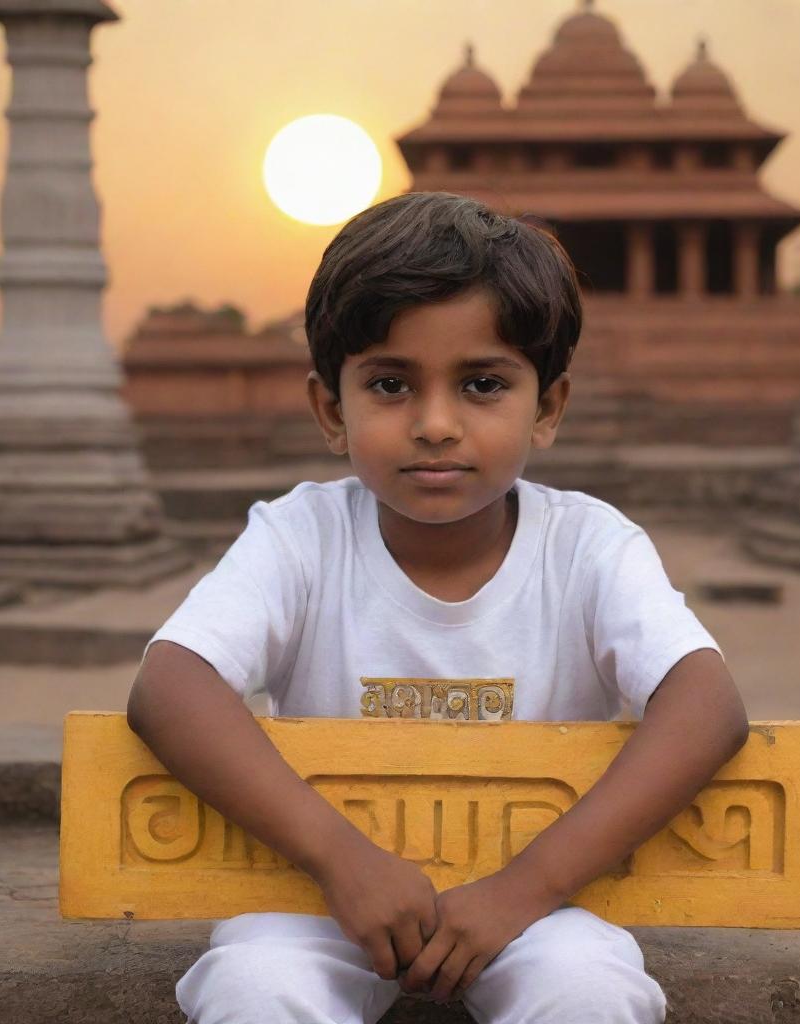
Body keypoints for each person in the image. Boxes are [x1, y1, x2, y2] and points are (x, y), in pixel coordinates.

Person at [127, 191, 749, 1024]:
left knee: (589, 989)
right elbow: (170, 686)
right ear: (330, 410)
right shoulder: (299, 537)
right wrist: (341, 858)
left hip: (537, 908)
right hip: (317, 896)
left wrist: (528, 886)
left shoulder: (590, 547)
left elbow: (707, 707)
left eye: (483, 384)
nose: (434, 424)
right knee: (252, 985)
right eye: (389, 384)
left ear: (549, 407)